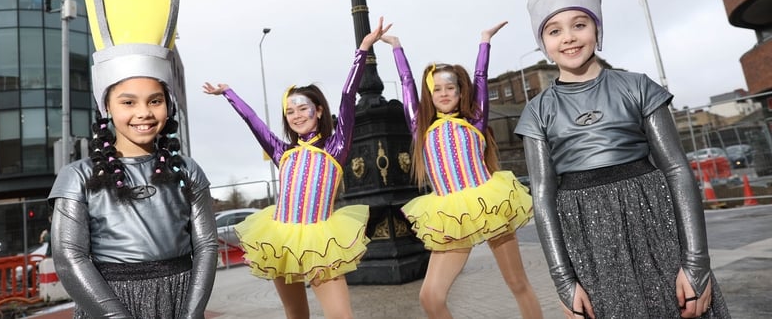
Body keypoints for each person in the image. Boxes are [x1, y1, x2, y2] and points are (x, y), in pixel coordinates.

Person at [515, 9, 731, 319]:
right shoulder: (537, 112)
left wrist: (696, 264)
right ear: (542, 43)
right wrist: (564, 281)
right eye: (554, 31)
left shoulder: (638, 86)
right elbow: (542, 197)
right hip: (591, 248)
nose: (569, 37)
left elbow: (676, 170)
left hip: (656, 228)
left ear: (597, 30)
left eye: (579, 25)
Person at [203, 17, 390, 319]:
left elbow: (346, 97)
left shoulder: (335, 147)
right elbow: (253, 121)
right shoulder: (283, 153)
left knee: (341, 316)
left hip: (320, 241)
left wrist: (364, 49)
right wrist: (229, 93)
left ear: (319, 111)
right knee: (295, 313)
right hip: (280, 239)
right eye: (290, 111)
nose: (296, 115)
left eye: (303, 108)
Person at [380, 21, 543, 319]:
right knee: (430, 297)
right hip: (450, 215)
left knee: (518, 283)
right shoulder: (420, 127)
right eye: (436, 89)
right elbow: (406, 82)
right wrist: (396, 47)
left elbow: (480, 76)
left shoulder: (475, 120)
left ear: (459, 91)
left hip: (490, 205)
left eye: (450, 87)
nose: (443, 93)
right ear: (429, 95)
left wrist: (485, 41)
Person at [49, 76, 218, 318]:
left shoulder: (187, 170)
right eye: (128, 102)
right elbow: (69, 257)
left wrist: (192, 313)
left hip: (180, 299)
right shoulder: (77, 176)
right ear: (106, 107)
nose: (144, 113)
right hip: (109, 302)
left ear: (168, 105)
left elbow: (206, 245)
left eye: (155, 101)